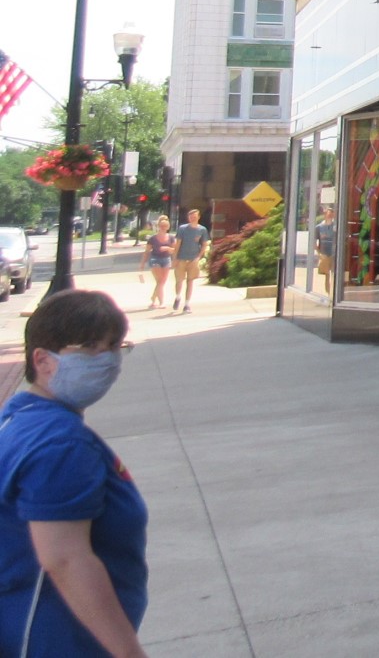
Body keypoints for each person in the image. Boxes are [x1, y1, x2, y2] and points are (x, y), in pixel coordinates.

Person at [0, 289, 149, 657]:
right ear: (43, 360)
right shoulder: (61, 445)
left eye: (113, 346)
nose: (107, 360)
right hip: (58, 639)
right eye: (88, 348)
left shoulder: (18, 418)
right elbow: (65, 560)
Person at [170, 210, 209, 314]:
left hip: (193, 259)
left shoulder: (202, 229)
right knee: (179, 280)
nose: (193, 218)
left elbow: (204, 245)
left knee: (190, 281)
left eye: (194, 216)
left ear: (199, 217)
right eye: (191, 217)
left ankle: (187, 304)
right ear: (188, 217)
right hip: (181, 258)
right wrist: (174, 258)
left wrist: (198, 257)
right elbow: (178, 244)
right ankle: (178, 297)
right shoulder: (182, 229)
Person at [136, 217, 175, 310]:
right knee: (160, 281)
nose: (163, 227)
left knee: (161, 282)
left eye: (165, 226)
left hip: (166, 259)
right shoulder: (152, 239)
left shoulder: (171, 238)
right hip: (155, 259)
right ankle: (161, 302)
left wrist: (168, 248)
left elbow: (174, 250)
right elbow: (146, 252)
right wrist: (142, 265)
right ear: (158, 226)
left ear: (168, 227)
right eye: (161, 226)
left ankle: (153, 298)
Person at [314, 207, 336, 299]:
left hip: (334, 254)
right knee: (327, 274)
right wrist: (319, 253)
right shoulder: (319, 227)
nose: (330, 216)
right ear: (325, 215)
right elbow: (314, 241)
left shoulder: (335, 227)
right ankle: (328, 292)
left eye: (332, 214)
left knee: (334, 273)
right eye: (328, 214)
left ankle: (334, 292)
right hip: (324, 254)